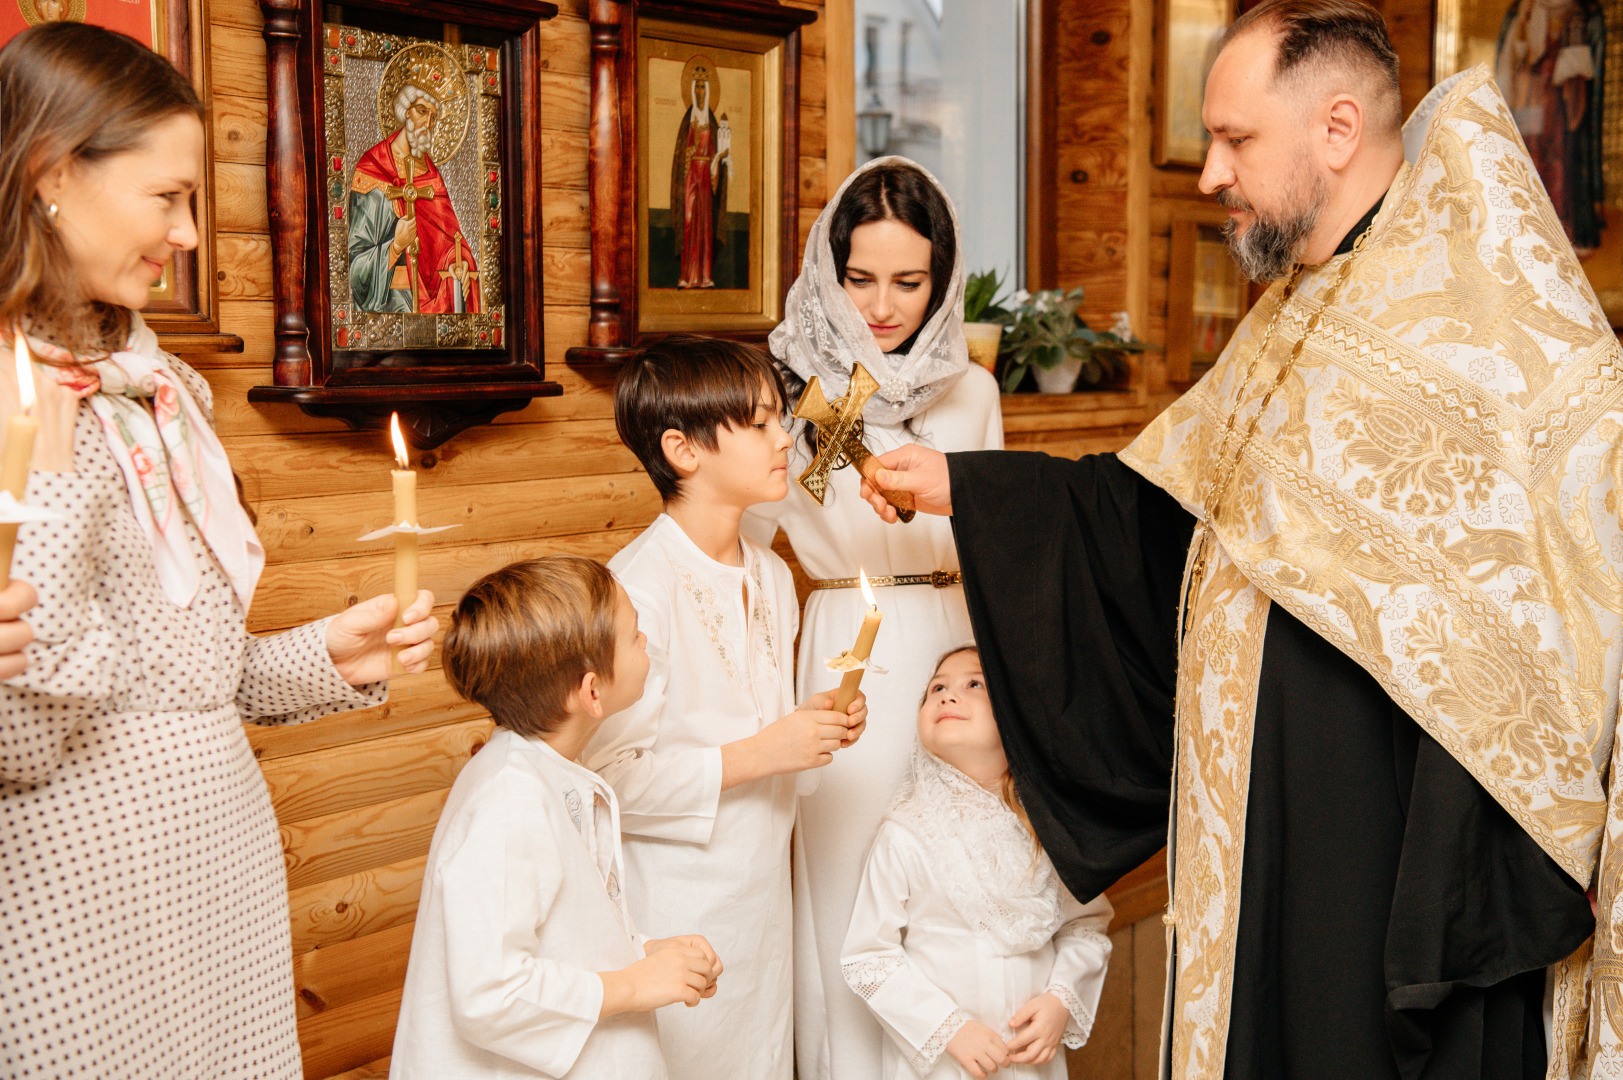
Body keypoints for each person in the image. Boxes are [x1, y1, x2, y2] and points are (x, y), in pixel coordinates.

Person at [859, 2, 1623, 1077]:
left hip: (1385, 853)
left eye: (1236, 139)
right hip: (1260, 824)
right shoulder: (1300, 308)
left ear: (1338, 127)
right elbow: (1163, 514)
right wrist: (964, 489)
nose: (1211, 173)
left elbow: (1546, 625)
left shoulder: (1484, 328)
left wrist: (1448, 902)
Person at [0, 23, 439, 1079]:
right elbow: (17, 742)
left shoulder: (162, 394)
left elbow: (189, 676)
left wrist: (328, 658)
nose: (190, 233)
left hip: (217, 852)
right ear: (56, 173)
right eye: (167, 197)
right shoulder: (16, 402)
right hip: (80, 881)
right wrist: (48, 479)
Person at [742, 156, 1003, 1080]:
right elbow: (749, 530)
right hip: (846, 652)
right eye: (859, 280)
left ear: (941, 281)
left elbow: (997, 537)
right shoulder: (797, 390)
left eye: (908, 281)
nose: (881, 306)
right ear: (827, 270)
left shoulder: (969, 391)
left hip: (953, 646)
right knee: (850, 890)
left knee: (948, 880)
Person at [583, 335, 868, 1080]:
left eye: (780, 420)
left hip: (761, 898)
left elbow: (767, 735)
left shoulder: (773, 574)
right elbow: (608, 781)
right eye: (761, 423)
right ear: (683, 449)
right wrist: (761, 753)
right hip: (673, 905)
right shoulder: (634, 589)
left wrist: (816, 728)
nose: (786, 440)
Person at [391, 556, 724, 1079]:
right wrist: (637, 984)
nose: (648, 645)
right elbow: (489, 994)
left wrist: (646, 952)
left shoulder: (550, 774)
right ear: (592, 692)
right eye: (636, 635)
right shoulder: (508, 801)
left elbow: (566, 932)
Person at [842, 646, 1112, 1080]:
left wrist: (1062, 999)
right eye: (937, 688)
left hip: (1029, 1061)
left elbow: (1086, 924)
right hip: (944, 1065)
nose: (948, 695)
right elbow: (869, 956)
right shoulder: (906, 833)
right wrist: (947, 1029)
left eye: (974, 684)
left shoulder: (1051, 830)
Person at [348, 56, 480, 314]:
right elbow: (355, 268)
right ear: (404, 111)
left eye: (433, 117)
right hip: (391, 306)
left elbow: (449, 240)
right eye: (422, 111)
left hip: (434, 303)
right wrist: (395, 245)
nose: (427, 124)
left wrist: (458, 263)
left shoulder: (431, 175)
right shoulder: (373, 168)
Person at [670, 57, 726, 289]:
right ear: (693, 90)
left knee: (705, 224)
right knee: (689, 222)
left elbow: (717, 151)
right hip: (690, 176)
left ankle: (704, 276)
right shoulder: (688, 120)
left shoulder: (712, 121)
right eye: (698, 86)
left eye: (704, 86)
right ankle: (687, 275)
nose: (701, 91)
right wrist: (690, 153)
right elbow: (681, 152)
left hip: (706, 177)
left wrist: (718, 161)